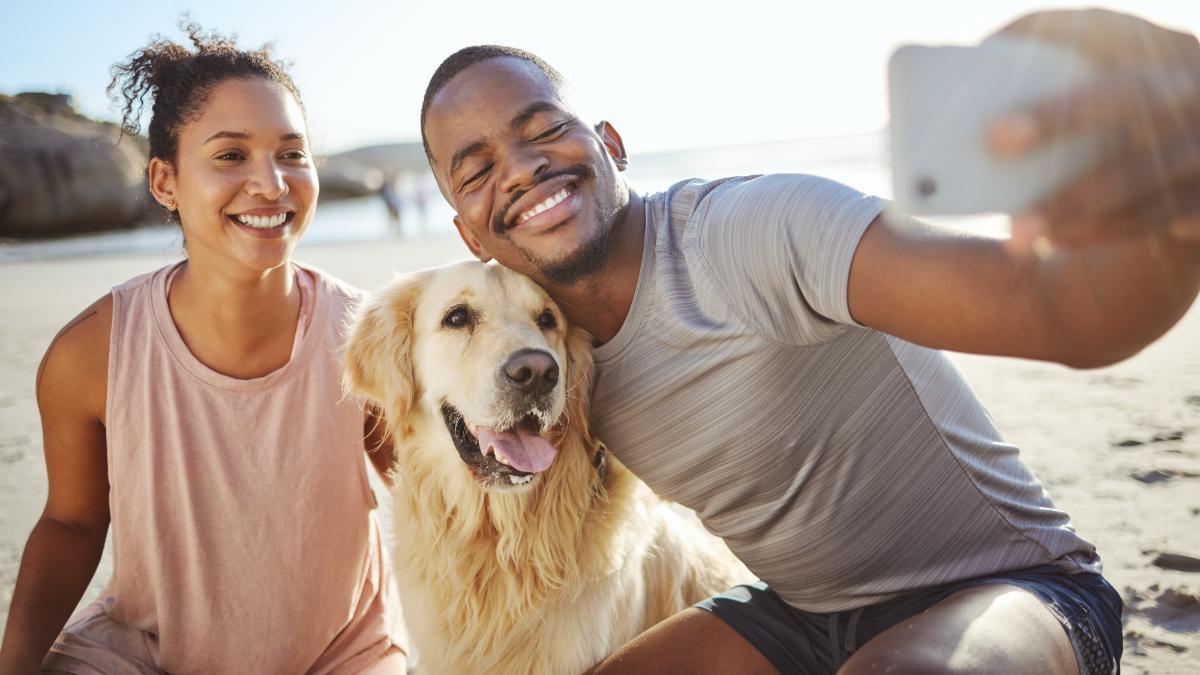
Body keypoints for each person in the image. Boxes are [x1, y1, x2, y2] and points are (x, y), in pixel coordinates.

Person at [417, 8, 1199, 675]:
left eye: (544, 130)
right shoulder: (553, 351)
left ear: (611, 143)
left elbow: (1067, 311)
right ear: (464, 227)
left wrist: (1177, 185)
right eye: (476, 169)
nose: (520, 168)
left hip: (1019, 590)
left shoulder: (760, 231)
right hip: (801, 614)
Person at [0, 26, 405, 674]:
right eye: (230, 155)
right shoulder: (90, 355)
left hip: (342, 652)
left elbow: (424, 490)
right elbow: (72, 525)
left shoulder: (363, 335)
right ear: (165, 180)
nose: (271, 183)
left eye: (292, 154)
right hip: (147, 652)